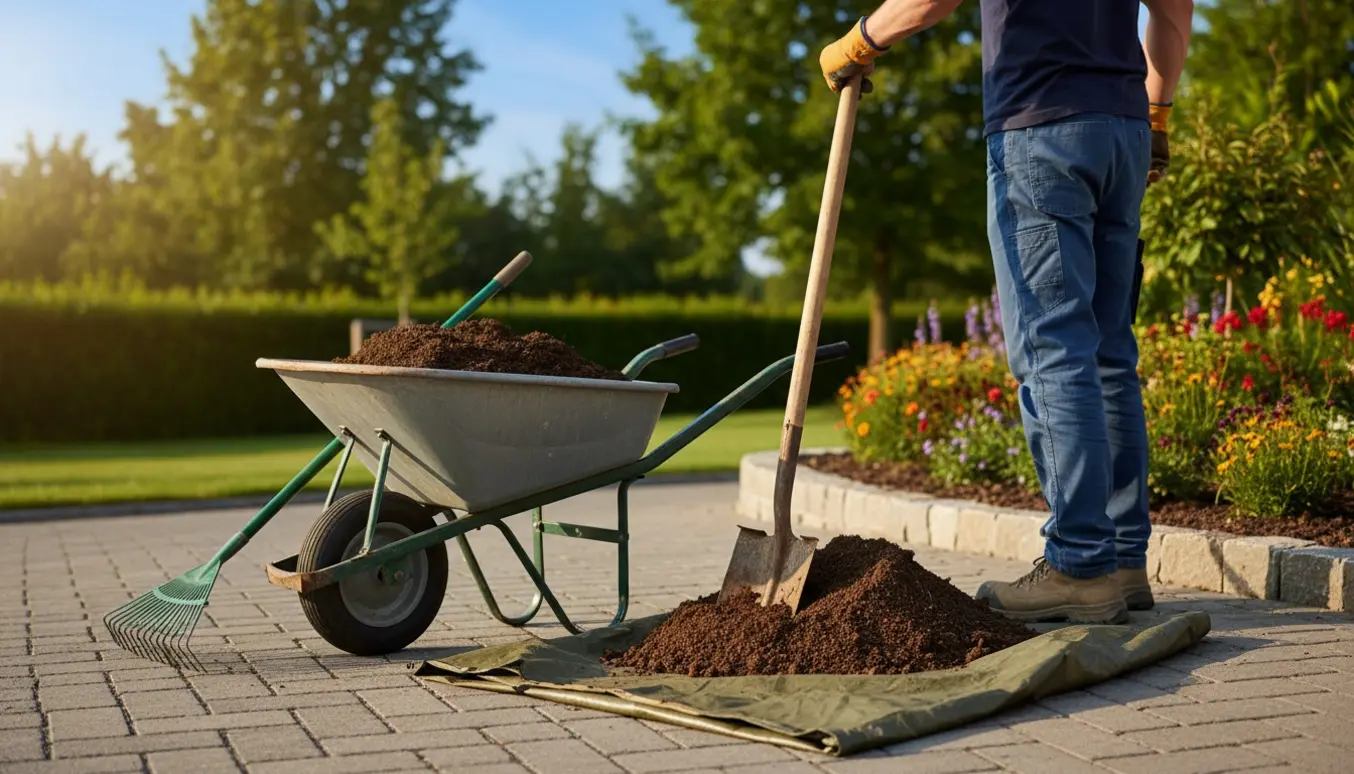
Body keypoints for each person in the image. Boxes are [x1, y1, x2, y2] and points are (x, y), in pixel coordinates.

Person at [818, 0, 1194, 624]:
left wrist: (861, 39)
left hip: (1041, 127)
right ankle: (1123, 560)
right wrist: (1157, 107)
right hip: (1124, 132)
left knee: (1053, 351)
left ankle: (1080, 565)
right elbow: (1175, 12)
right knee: (1108, 353)